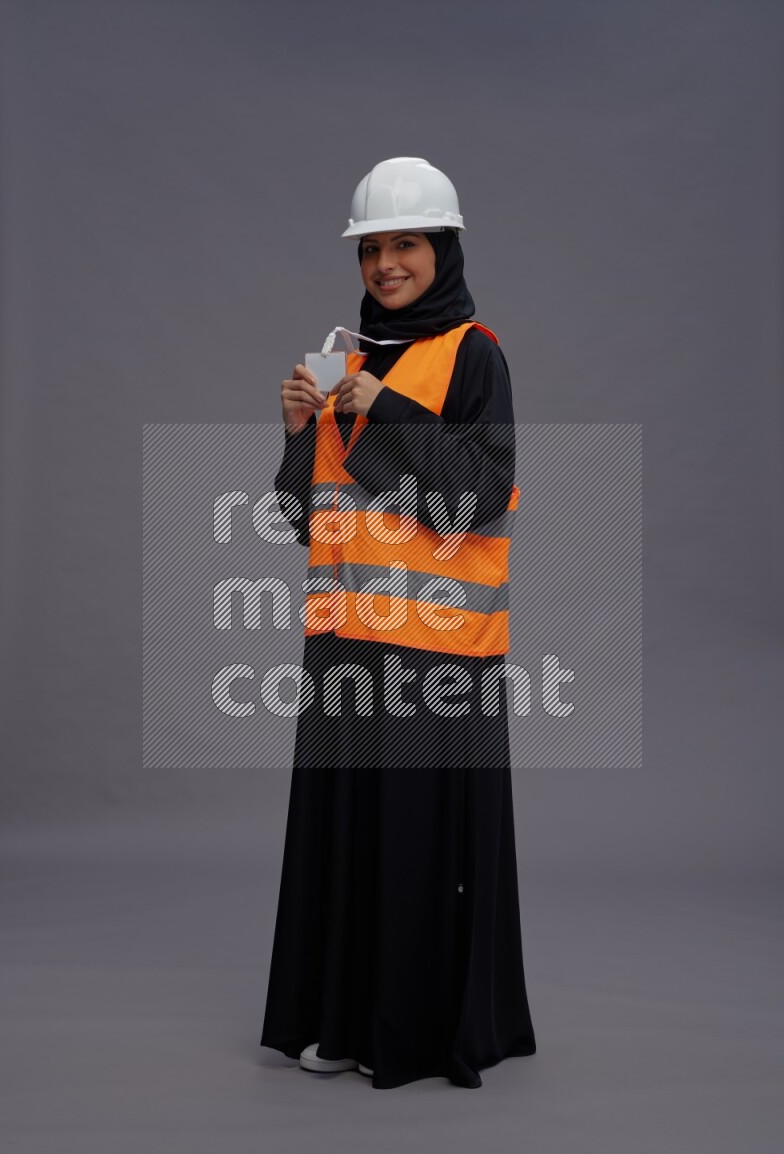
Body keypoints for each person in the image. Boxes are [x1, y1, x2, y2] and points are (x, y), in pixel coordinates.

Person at [259, 157, 537, 1089]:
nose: (386, 263)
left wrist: (384, 411)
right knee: (351, 832)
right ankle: (345, 1023)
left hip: (437, 652)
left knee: (419, 842)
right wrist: (301, 431)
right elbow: (303, 514)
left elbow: (478, 493)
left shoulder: (473, 354)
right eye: (373, 247)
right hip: (345, 643)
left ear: (443, 248)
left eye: (405, 243)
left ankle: (415, 1036)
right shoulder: (351, 358)